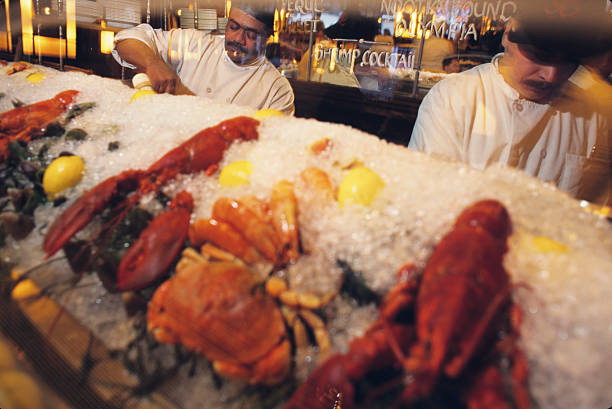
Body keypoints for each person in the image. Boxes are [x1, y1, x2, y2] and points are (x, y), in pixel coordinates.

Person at [409, 0, 611, 204]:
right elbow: (426, 204)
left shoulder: (595, 112)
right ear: (508, 35)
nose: (551, 76)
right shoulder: (454, 99)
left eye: (570, 61)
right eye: (540, 56)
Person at [112, 3, 295, 115]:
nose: (238, 39)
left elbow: (272, 150)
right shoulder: (194, 43)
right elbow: (127, 39)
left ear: (267, 37)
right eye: (233, 26)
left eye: (251, 34)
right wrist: (153, 63)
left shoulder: (277, 90)